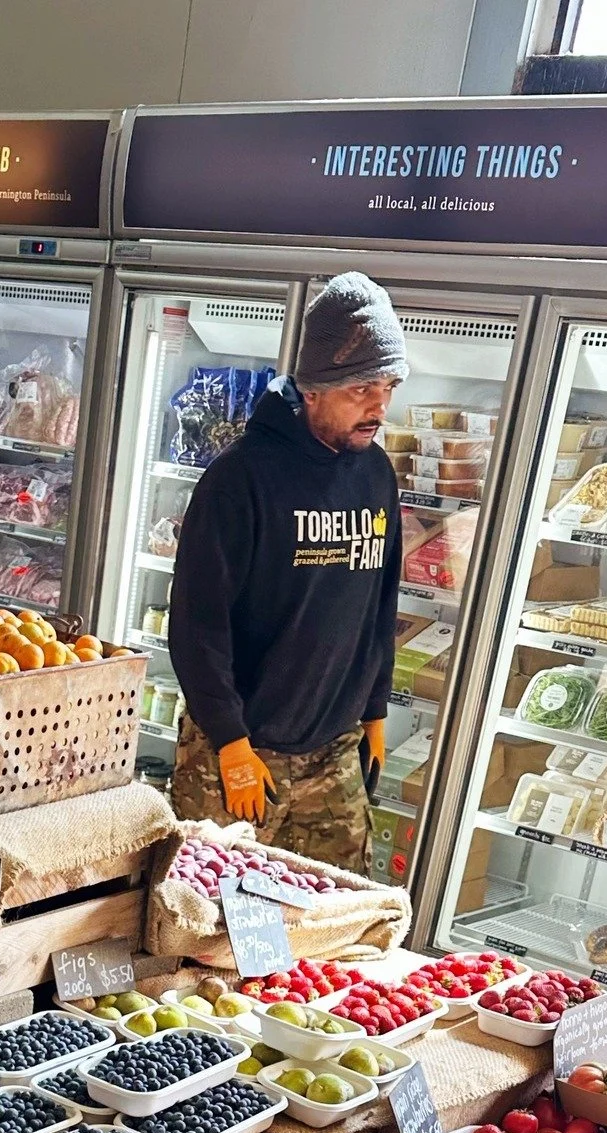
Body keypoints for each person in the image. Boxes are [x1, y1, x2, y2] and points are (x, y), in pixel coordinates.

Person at [166, 272, 407, 871]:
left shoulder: (375, 473)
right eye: (361, 389)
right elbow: (197, 626)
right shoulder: (239, 480)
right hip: (242, 746)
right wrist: (229, 741)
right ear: (314, 388)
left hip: (334, 748)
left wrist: (374, 707)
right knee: (207, 920)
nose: (379, 406)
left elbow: (379, 602)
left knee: (336, 917)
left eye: (389, 386)